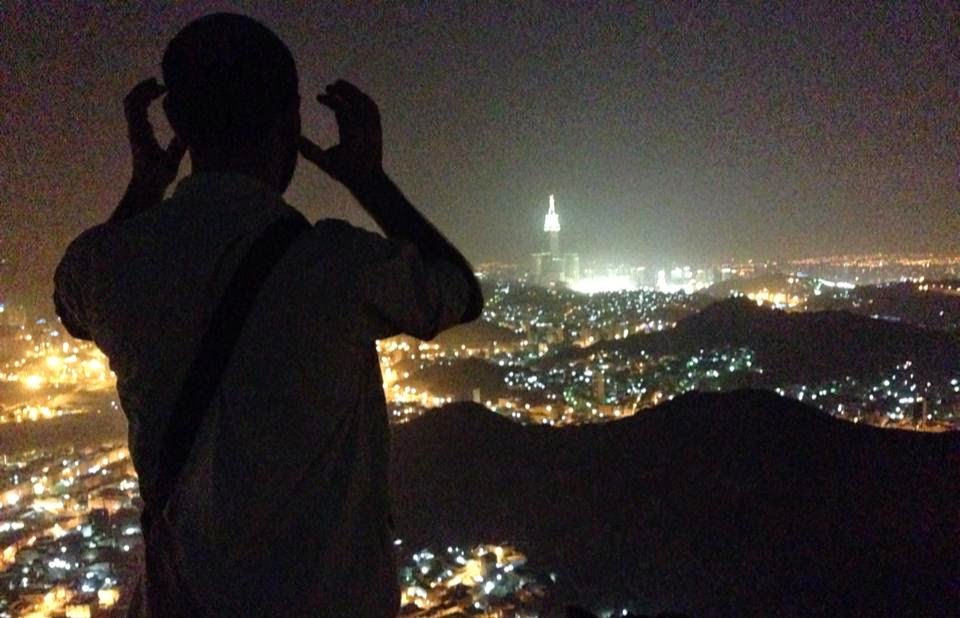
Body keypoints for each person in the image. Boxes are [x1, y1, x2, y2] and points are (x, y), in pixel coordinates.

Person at [53, 12, 482, 617]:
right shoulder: (337, 265)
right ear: (292, 126)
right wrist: (369, 179)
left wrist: (145, 183)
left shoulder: (110, 265)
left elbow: (70, 308)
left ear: (175, 125)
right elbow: (459, 290)